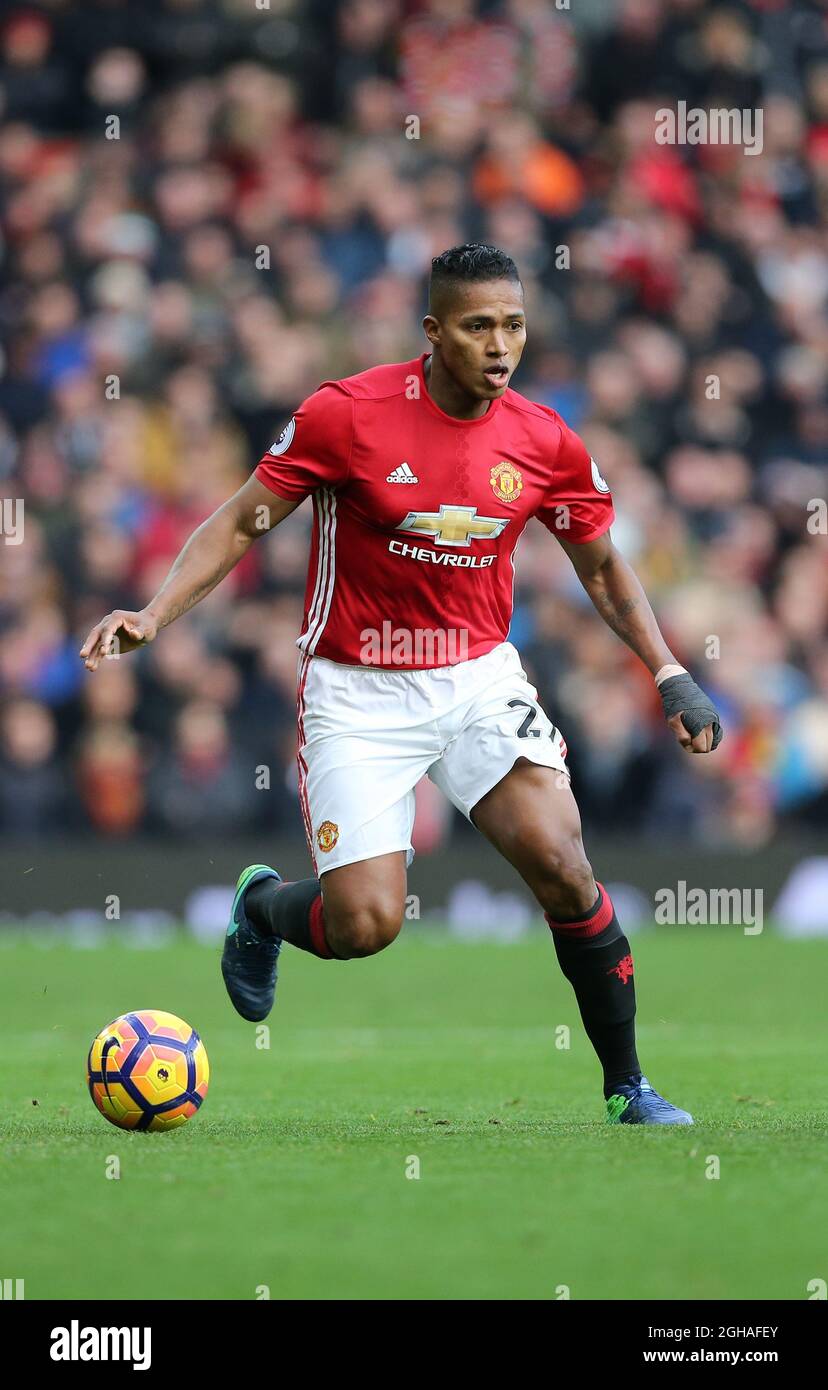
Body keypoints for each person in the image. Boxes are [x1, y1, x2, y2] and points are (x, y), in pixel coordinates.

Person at [81, 244, 722, 1125]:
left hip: (476, 679)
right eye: (477, 326)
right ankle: (263, 909)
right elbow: (238, 523)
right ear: (433, 331)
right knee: (366, 927)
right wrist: (154, 616)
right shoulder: (346, 416)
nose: (500, 345)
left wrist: (670, 671)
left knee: (566, 870)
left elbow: (605, 568)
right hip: (357, 690)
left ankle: (627, 1086)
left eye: (514, 325)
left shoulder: (543, 440)